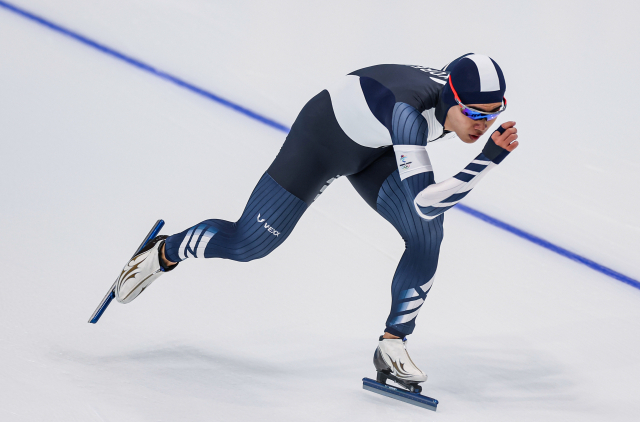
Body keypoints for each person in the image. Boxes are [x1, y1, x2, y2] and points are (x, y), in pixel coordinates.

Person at [113, 53, 518, 390]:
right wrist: (488, 159)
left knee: (426, 234)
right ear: (450, 97)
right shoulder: (409, 115)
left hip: (377, 145)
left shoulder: (451, 101)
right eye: (472, 113)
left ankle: (392, 345)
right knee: (249, 243)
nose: (482, 125)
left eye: (494, 113)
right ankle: (166, 251)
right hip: (323, 141)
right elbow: (429, 202)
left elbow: (425, 210)